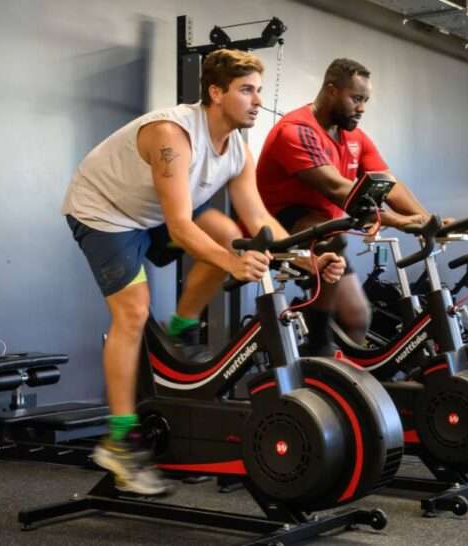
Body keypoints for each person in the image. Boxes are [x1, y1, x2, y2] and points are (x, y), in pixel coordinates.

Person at [62, 49, 345, 495]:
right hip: (106, 213)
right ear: (215, 93)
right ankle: (120, 440)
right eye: (246, 90)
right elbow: (179, 226)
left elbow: (260, 223)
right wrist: (233, 262)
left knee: (229, 232)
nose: (257, 101)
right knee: (133, 313)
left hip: (151, 210)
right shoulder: (171, 136)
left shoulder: (237, 148)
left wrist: (305, 260)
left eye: (257, 90)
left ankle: (179, 330)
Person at [256, 58, 438, 355]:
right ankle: (318, 345)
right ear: (331, 91)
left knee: (356, 317)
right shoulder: (297, 129)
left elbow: (387, 182)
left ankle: (326, 367)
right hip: (279, 227)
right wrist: (400, 221)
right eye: (356, 98)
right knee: (327, 235)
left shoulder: (351, 134)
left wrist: (428, 220)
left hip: (326, 232)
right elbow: (338, 189)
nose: (362, 108)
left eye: (365, 100)